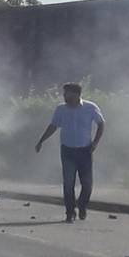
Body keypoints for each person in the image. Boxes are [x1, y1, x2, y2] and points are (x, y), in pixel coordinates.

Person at [35, 82, 105, 223]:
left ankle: (82, 205)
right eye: (64, 94)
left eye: (67, 94)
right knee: (68, 182)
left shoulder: (90, 107)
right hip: (67, 150)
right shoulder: (61, 109)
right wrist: (41, 140)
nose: (64, 96)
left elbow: (101, 123)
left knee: (87, 184)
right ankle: (70, 212)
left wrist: (95, 143)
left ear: (76, 94)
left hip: (85, 150)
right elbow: (53, 126)